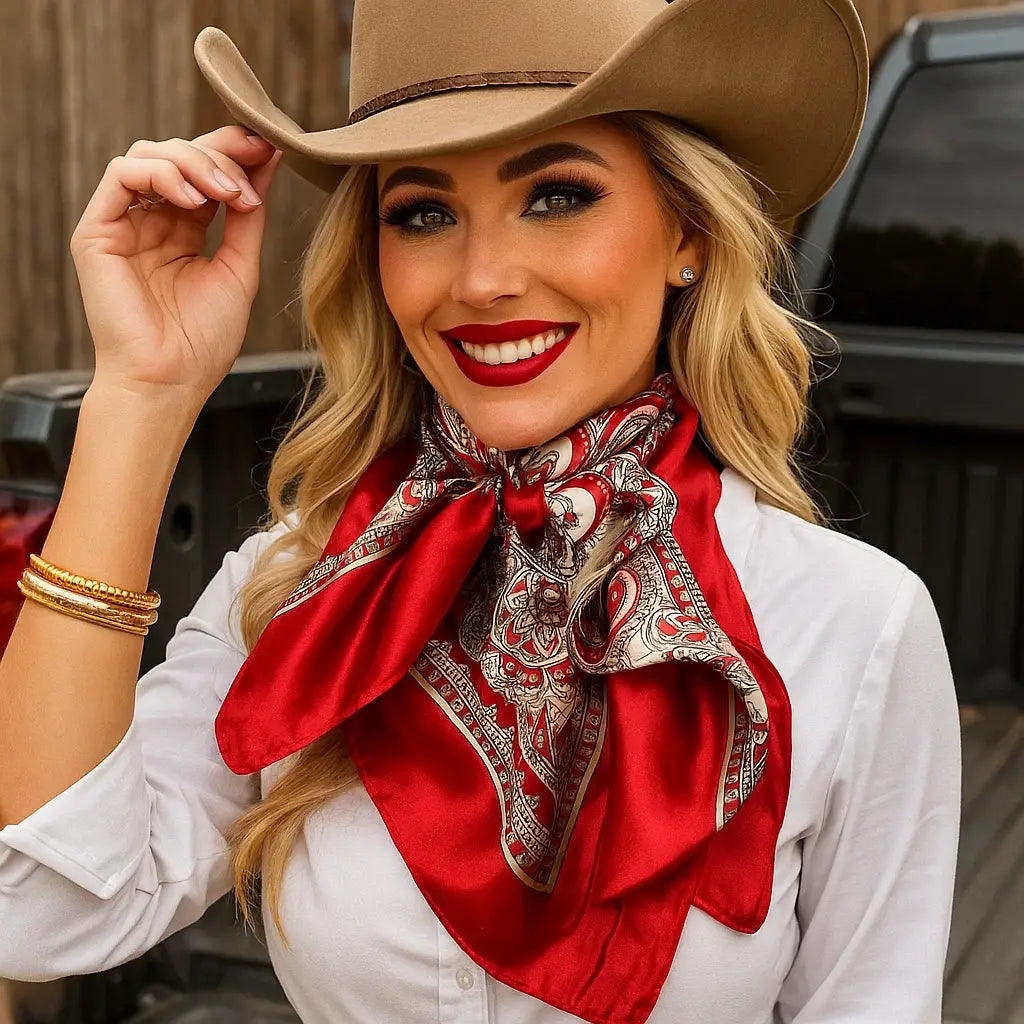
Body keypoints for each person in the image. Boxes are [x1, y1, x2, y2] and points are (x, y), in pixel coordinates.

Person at [0, 0, 962, 1021]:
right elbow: (45, 911)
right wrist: (141, 396)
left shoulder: (852, 624)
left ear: (687, 231)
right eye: (423, 212)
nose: (482, 278)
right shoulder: (298, 587)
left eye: (556, 195)